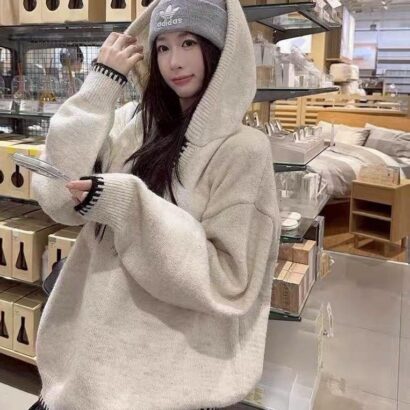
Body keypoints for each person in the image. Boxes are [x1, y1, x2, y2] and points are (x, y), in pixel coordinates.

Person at [30, 0, 280, 409]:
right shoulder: (133, 124)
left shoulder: (243, 150)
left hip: (159, 378)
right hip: (87, 359)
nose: (173, 62)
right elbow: (56, 198)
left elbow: (229, 282)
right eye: (162, 47)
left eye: (188, 43)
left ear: (219, 49)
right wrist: (100, 86)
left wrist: (129, 207)